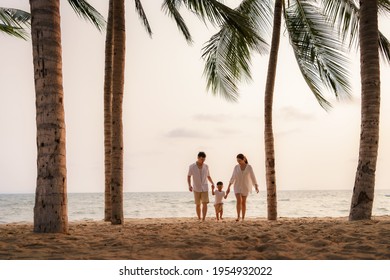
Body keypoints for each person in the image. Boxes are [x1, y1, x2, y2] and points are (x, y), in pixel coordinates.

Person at [226, 153, 259, 221]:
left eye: (240, 160)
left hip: (245, 187)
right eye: (237, 161)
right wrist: (229, 186)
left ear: (243, 159)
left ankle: (243, 217)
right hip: (237, 186)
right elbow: (233, 177)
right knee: (239, 200)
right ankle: (238, 216)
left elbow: (253, 177)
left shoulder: (249, 167)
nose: (239, 162)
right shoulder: (236, 167)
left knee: (243, 202)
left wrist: (256, 186)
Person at [187, 151, 215, 221]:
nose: (203, 161)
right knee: (198, 204)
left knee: (205, 203)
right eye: (201, 159)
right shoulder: (192, 166)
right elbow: (188, 176)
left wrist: (212, 183)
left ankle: (204, 218)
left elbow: (208, 176)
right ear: (198, 158)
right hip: (196, 188)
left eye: (204, 159)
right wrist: (189, 185)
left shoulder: (206, 166)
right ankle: (199, 217)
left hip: (205, 187)